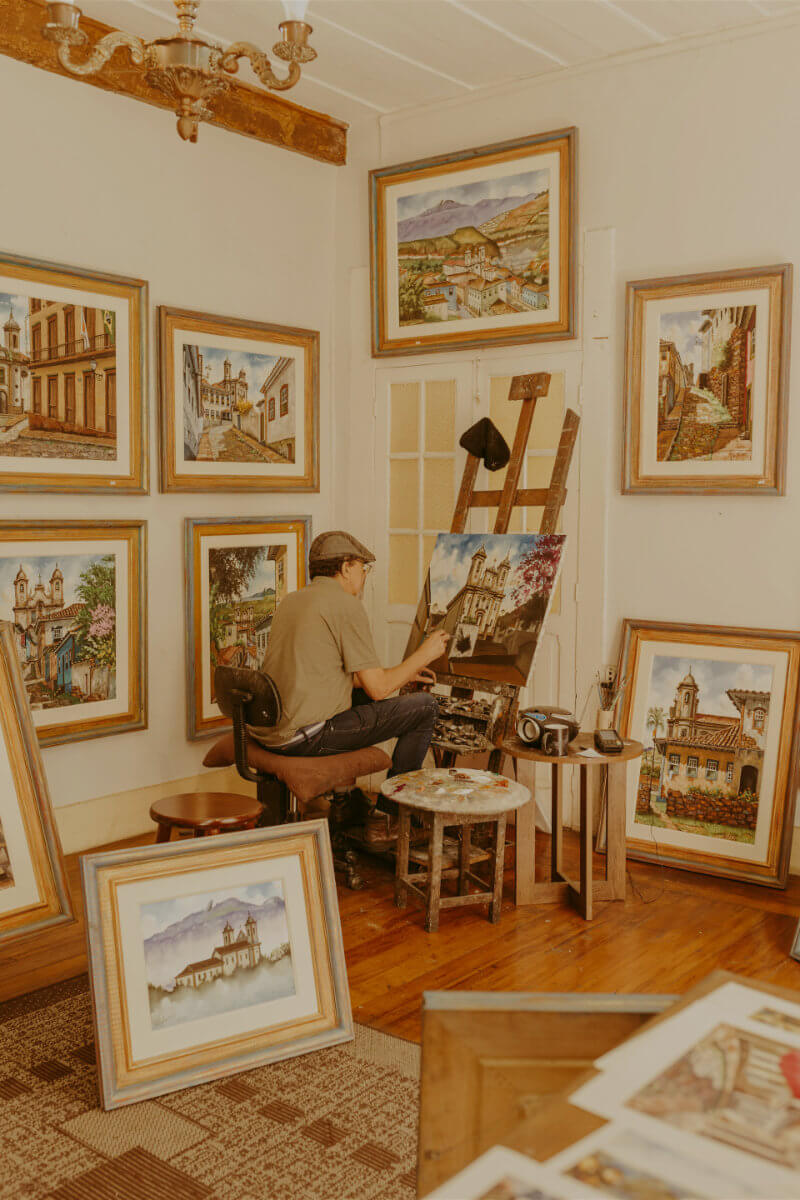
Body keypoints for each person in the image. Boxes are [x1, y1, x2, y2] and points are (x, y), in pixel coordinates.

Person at [250, 530, 448, 776]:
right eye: (363, 568)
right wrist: (424, 654)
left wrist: (406, 674)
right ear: (346, 568)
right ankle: (397, 811)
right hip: (303, 739)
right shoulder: (345, 605)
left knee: (366, 695)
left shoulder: (292, 600)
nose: (365, 576)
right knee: (426, 707)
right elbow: (378, 688)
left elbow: (327, 676)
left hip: (271, 731)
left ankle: (350, 803)